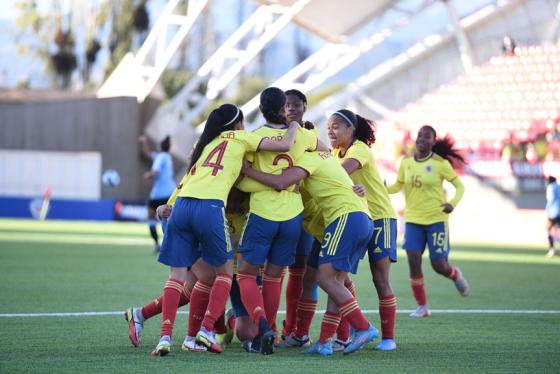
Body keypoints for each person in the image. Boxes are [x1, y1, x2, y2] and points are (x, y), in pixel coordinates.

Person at [150, 103, 300, 356]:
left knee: (177, 277)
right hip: (208, 207)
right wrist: (295, 124)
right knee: (224, 273)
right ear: (238, 124)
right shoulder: (241, 137)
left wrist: (168, 205)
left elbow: (189, 178)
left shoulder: (205, 145)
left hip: (182, 206)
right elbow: (285, 145)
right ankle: (205, 330)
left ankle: (165, 338)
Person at [242, 150, 378, 356]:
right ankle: (324, 342)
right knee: (331, 282)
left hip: (345, 217)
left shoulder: (308, 160)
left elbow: (280, 183)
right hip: (349, 221)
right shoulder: (315, 165)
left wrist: (246, 170)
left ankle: (363, 327)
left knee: (326, 279)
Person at [235, 87, 326, 353]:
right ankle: (273, 334)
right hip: (293, 216)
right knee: (275, 277)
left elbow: (240, 178)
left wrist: (255, 181)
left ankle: (263, 327)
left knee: (246, 274)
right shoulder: (303, 134)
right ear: (284, 109)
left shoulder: (253, 138)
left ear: (262, 109)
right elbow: (325, 152)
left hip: (263, 214)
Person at [328, 109, 398, 351]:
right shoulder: (335, 152)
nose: (330, 130)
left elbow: (340, 172)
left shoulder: (359, 149)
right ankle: (346, 334)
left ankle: (388, 338)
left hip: (381, 218)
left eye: (336, 126)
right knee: (338, 278)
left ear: (351, 130)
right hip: (358, 218)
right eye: (328, 126)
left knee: (380, 279)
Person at [387, 125, 469, 318]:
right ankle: (422, 307)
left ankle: (455, 274)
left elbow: (460, 187)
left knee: (438, 265)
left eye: (427, 136)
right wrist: (383, 189)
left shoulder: (440, 163)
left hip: (436, 220)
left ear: (433, 141)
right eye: (419, 135)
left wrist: (452, 204)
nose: (422, 139)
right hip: (413, 220)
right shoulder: (405, 162)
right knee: (413, 261)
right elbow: (399, 184)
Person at [280, 88, 320, 344]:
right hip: (274, 211)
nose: (291, 109)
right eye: (287, 105)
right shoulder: (274, 134)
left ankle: (296, 330)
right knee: (270, 272)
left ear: (305, 106)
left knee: (303, 273)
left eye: (296, 104)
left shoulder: (311, 137)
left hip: (305, 214)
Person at [139, 135, 176, 253]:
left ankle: (157, 244)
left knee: (150, 218)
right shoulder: (167, 157)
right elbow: (149, 154)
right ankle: (170, 244)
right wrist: (144, 143)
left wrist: (147, 175)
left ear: (160, 146)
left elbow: (155, 172)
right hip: (170, 193)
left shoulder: (160, 157)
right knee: (169, 218)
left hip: (158, 194)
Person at [546, 176, 560, 258]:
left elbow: (550, 199)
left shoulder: (551, 187)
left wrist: (547, 210)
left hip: (554, 212)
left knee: (548, 229)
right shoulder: (559, 187)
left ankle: (552, 250)